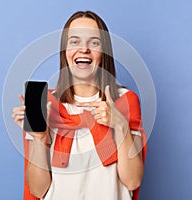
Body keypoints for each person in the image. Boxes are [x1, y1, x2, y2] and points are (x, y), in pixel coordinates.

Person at [12, 11, 147, 200]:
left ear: (104, 52)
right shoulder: (42, 102)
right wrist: (39, 138)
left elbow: (132, 181)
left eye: (94, 42)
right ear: (64, 51)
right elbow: (37, 189)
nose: (84, 49)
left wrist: (121, 125)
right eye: (74, 41)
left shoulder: (125, 100)